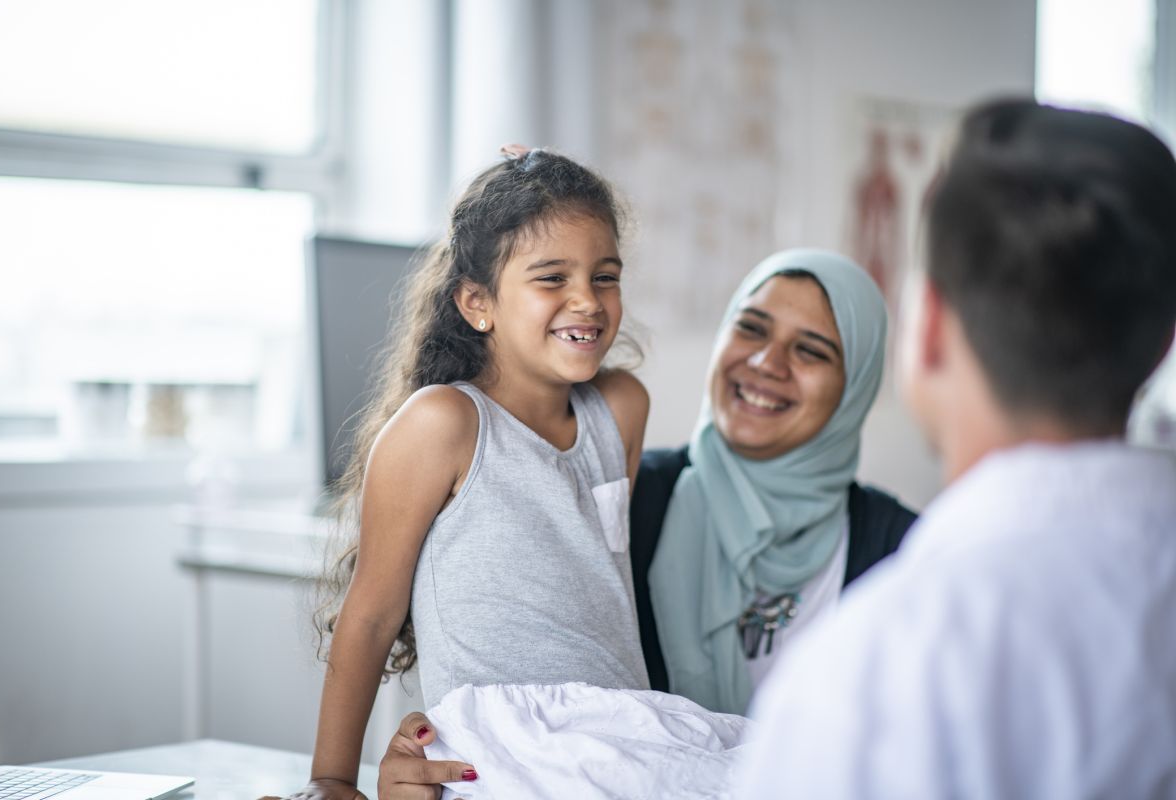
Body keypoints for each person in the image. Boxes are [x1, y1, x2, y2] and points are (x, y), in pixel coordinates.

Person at [270, 146, 752, 800]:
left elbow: (588, 570)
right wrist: (330, 779)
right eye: (552, 278)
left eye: (605, 276)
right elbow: (371, 616)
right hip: (507, 740)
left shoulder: (621, 409)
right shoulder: (442, 425)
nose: (587, 300)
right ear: (477, 303)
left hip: (620, 729)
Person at [737, 99, 1176, 798]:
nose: (766, 364)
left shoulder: (867, 683)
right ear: (1160, 347)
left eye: (811, 348)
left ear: (929, 326)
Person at [378, 248, 918, 798]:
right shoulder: (619, 496)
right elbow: (521, 695)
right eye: (750, 329)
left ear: (857, 384)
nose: (766, 363)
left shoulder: (906, 558)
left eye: (811, 350)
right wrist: (429, 764)